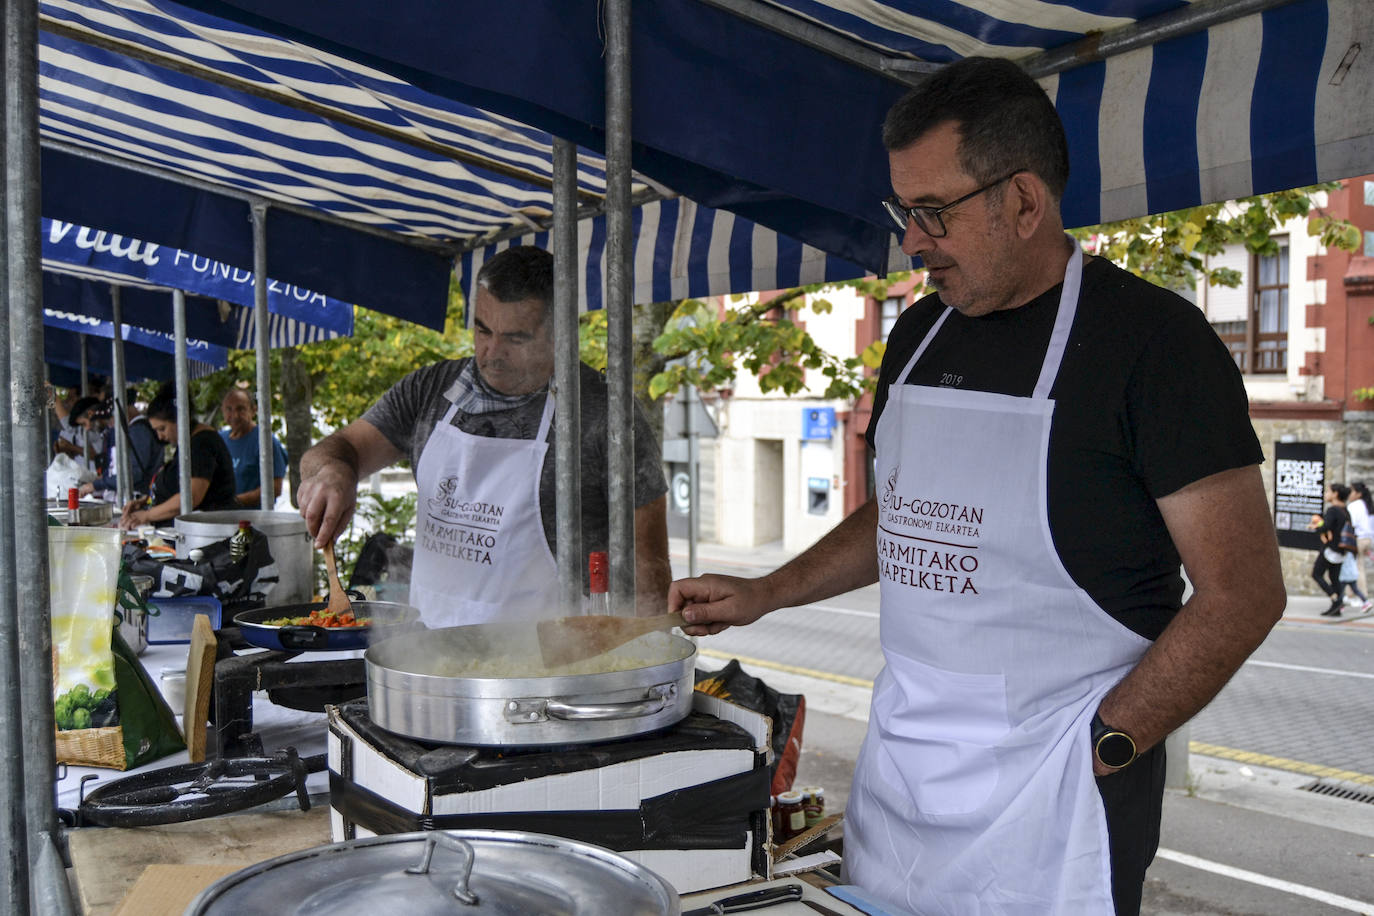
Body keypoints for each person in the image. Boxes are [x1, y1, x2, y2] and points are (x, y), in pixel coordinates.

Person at [668, 57, 1285, 916]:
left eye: (933, 213)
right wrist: (769, 591)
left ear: (1024, 202)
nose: (913, 242)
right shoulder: (921, 332)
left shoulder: (1155, 347)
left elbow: (1243, 594)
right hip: (901, 780)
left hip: (1056, 802)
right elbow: (903, 512)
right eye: (903, 212)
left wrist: (1108, 745)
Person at [297, 245, 670, 627]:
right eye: (482, 330)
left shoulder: (604, 415)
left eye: (516, 338)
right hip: (427, 658)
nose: (492, 352)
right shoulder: (430, 389)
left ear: (560, 334)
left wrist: (645, 657)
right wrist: (333, 471)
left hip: (547, 668)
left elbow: (648, 571)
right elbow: (338, 449)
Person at [119, 384, 239, 529]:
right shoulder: (187, 442)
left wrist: (147, 515)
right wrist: (146, 501)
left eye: (162, 429)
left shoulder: (202, 443)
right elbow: (176, 487)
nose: (160, 436)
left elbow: (191, 497)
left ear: (179, 419)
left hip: (208, 534)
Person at [219, 386, 287, 508]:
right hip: (222, 519)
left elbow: (275, 488)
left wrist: (234, 502)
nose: (234, 415)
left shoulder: (266, 441)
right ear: (222, 411)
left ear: (253, 410)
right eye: (229, 409)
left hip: (254, 522)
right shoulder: (220, 439)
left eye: (241, 409)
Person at [1309, 482, 1358, 617]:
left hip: (1331, 549)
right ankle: (1336, 607)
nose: (1326, 494)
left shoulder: (1333, 510)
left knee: (1317, 574)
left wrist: (1315, 527)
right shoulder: (1345, 510)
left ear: (1335, 494)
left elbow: (1326, 527)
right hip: (1342, 550)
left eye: (1328, 491)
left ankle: (1335, 598)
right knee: (1334, 577)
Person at [1347, 481, 1374, 599]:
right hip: (1367, 539)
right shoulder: (1367, 505)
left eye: (1352, 491)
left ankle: (1361, 596)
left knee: (1356, 567)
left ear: (1358, 494)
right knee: (1357, 566)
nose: (1350, 494)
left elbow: (1351, 523)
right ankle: (1351, 594)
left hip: (1358, 539)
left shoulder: (1354, 506)